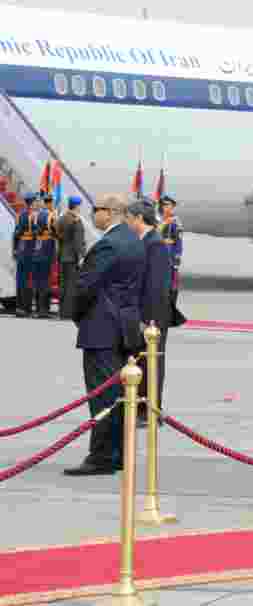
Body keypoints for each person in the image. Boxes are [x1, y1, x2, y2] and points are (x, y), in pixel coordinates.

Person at [65, 194, 146, 476]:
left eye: (96, 210)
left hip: (102, 328)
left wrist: (77, 315)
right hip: (125, 328)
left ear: (110, 213)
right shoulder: (134, 241)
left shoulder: (108, 245)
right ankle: (118, 453)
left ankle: (101, 456)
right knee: (120, 396)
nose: (93, 214)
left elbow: (85, 286)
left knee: (102, 396)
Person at [125, 199, 172, 428]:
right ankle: (141, 407)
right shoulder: (144, 241)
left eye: (129, 218)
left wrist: (147, 319)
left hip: (151, 318)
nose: (127, 222)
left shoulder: (155, 245)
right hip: (142, 315)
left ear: (139, 219)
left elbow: (156, 287)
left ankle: (151, 410)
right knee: (141, 362)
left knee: (151, 363)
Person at [57, 196, 86, 320]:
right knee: (71, 286)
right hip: (72, 257)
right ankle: (69, 313)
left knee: (63, 285)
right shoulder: (76, 220)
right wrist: (83, 255)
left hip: (63, 255)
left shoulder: (62, 218)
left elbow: (57, 234)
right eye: (80, 205)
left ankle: (62, 312)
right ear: (77, 206)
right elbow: (78, 241)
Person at [12, 192, 38, 317]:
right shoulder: (32, 216)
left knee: (20, 279)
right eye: (35, 201)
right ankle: (26, 308)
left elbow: (16, 234)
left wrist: (15, 249)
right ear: (32, 203)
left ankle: (19, 307)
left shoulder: (20, 215)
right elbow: (36, 232)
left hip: (21, 248)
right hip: (30, 249)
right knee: (28, 280)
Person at [31, 194, 57, 318]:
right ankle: (44, 310)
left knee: (37, 281)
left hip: (36, 250)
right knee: (46, 282)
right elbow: (56, 232)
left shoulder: (35, 215)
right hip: (47, 251)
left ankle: (37, 309)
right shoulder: (51, 216)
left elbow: (34, 233)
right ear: (50, 203)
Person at [158, 195, 183, 310]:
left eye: (169, 205)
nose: (166, 208)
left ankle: (170, 307)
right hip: (157, 255)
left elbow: (178, 241)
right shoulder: (157, 220)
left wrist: (177, 257)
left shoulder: (175, 222)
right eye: (164, 205)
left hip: (170, 255)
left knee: (172, 284)